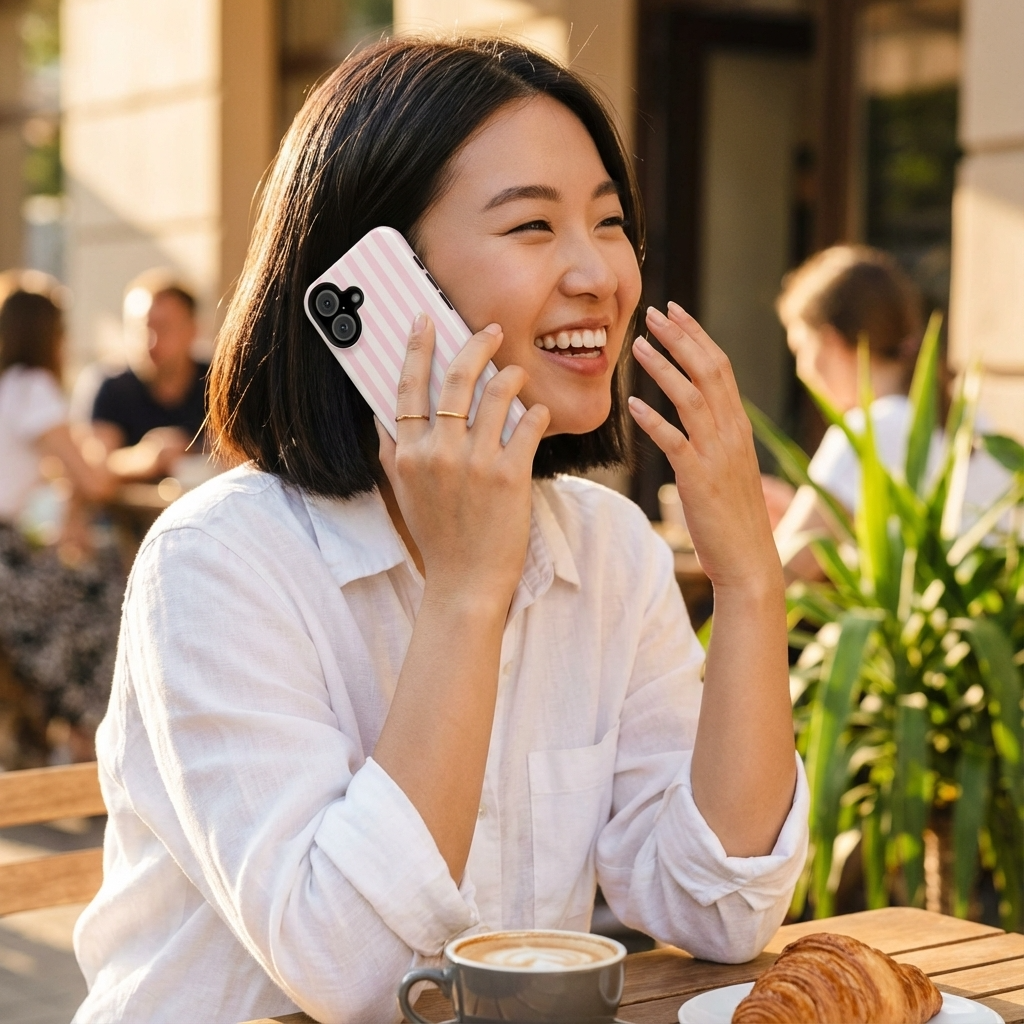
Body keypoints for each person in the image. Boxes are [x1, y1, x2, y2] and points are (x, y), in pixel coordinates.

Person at [73, 38, 808, 1024]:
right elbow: (355, 972)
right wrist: (468, 589)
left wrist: (751, 585)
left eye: (609, 221)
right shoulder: (219, 561)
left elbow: (719, 910)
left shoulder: (606, 547)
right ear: (378, 284)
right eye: (533, 226)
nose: (599, 272)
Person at [765, 245, 1011, 579]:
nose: (802, 370)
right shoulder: (969, 420)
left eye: (800, 349)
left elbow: (776, 577)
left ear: (830, 342)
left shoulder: (867, 431)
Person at [0, 271, 124, 758]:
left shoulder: (7, 387)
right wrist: (119, 452)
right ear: (48, 334)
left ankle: (64, 730)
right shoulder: (32, 387)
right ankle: (86, 735)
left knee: (89, 583)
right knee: (115, 594)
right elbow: (94, 480)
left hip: (13, 560)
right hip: (11, 572)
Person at [89, 271, 208, 481]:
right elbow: (96, 469)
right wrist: (147, 458)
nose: (150, 341)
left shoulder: (220, 384)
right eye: (140, 329)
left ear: (193, 330)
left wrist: (194, 454)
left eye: (164, 328)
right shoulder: (114, 387)